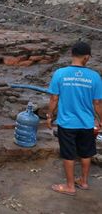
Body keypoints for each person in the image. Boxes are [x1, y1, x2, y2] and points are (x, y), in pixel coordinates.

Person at [47, 41, 102, 196]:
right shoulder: (94, 77)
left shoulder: (60, 74)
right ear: (86, 57)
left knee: (68, 154)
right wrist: (101, 119)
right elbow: (97, 102)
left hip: (67, 123)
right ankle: (83, 182)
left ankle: (70, 186)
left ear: (72, 54)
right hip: (86, 123)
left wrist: (50, 115)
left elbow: (54, 99)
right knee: (86, 153)